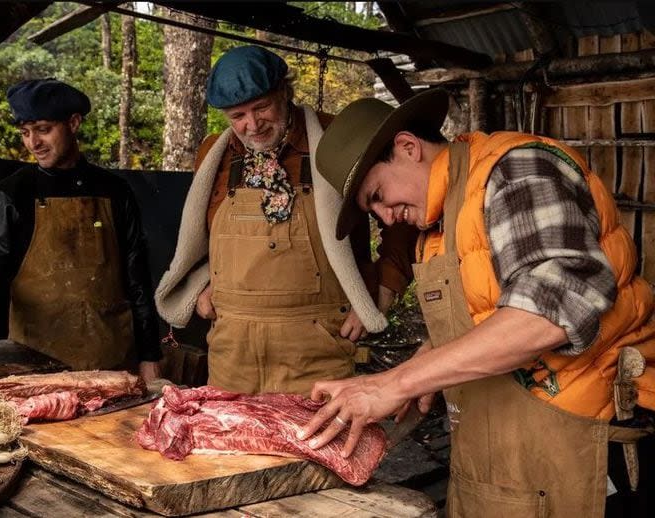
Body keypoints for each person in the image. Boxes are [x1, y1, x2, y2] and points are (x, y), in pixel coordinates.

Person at [298, 90, 655, 517]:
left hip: (581, 449)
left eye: (376, 195)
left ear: (408, 148)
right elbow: (489, 312)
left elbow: (550, 313)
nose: (385, 218)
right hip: (498, 459)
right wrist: (430, 363)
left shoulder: (517, 170)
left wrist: (395, 382)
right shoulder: (439, 222)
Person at [154, 46, 417, 395]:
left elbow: (402, 217)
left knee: (317, 444)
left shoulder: (334, 137)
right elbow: (200, 239)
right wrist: (202, 285)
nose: (252, 125)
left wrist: (383, 290)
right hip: (234, 352)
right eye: (238, 116)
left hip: (317, 347)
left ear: (285, 91)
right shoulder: (214, 154)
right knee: (233, 444)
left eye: (261, 107)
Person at [0, 78, 162, 380]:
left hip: (113, 363)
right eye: (25, 133)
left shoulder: (115, 191)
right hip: (35, 367)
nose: (34, 143)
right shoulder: (12, 193)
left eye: (44, 129)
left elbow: (138, 280)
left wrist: (149, 355)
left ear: (73, 123)